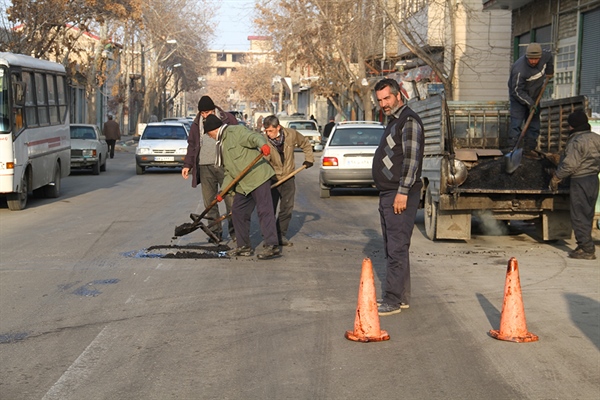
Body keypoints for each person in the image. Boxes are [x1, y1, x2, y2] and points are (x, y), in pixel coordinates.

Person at [372, 78, 425, 316]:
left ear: (398, 96)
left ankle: (392, 300)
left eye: (387, 98)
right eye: (380, 100)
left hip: (399, 193)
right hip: (389, 192)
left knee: (396, 247)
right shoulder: (394, 121)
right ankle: (401, 297)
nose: (383, 103)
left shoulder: (409, 121)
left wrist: (402, 192)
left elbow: (411, 161)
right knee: (395, 246)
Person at [203, 114, 281, 260]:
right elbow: (229, 171)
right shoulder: (222, 145)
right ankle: (243, 246)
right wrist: (223, 192)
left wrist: (262, 145)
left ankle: (272, 245)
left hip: (258, 177)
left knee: (264, 211)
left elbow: (254, 137)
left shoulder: (235, 132)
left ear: (214, 130)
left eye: (209, 133)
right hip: (243, 184)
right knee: (238, 211)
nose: (209, 137)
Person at [182, 96, 238, 242]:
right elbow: (192, 145)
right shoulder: (196, 123)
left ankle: (236, 233)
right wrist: (188, 165)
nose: (205, 115)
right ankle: (215, 233)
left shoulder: (228, 119)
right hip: (204, 167)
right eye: (202, 113)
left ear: (213, 109)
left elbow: (238, 139)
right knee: (210, 202)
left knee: (231, 201)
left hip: (225, 166)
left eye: (208, 112)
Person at [549, 110, 600, 260]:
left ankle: (587, 249)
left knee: (579, 215)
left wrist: (556, 178)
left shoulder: (577, 141)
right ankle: (584, 244)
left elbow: (569, 165)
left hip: (580, 180)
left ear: (572, 126)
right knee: (587, 214)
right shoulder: (596, 138)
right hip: (593, 179)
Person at [263, 115, 314, 246]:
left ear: (278, 127)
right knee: (269, 208)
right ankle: (269, 236)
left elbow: (305, 143)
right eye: (266, 131)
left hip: (288, 176)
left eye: (270, 131)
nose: (268, 134)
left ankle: (281, 234)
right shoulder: (263, 140)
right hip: (271, 178)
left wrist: (309, 158)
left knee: (287, 207)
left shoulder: (291, 134)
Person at [507, 43, 554, 156]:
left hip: (535, 95)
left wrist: (549, 71)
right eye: (531, 59)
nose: (533, 61)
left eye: (536, 59)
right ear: (527, 57)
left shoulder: (546, 55)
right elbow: (517, 91)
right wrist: (530, 103)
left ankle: (529, 149)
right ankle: (512, 149)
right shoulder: (519, 69)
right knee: (516, 124)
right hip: (519, 97)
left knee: (534, 123)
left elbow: (550, 58)